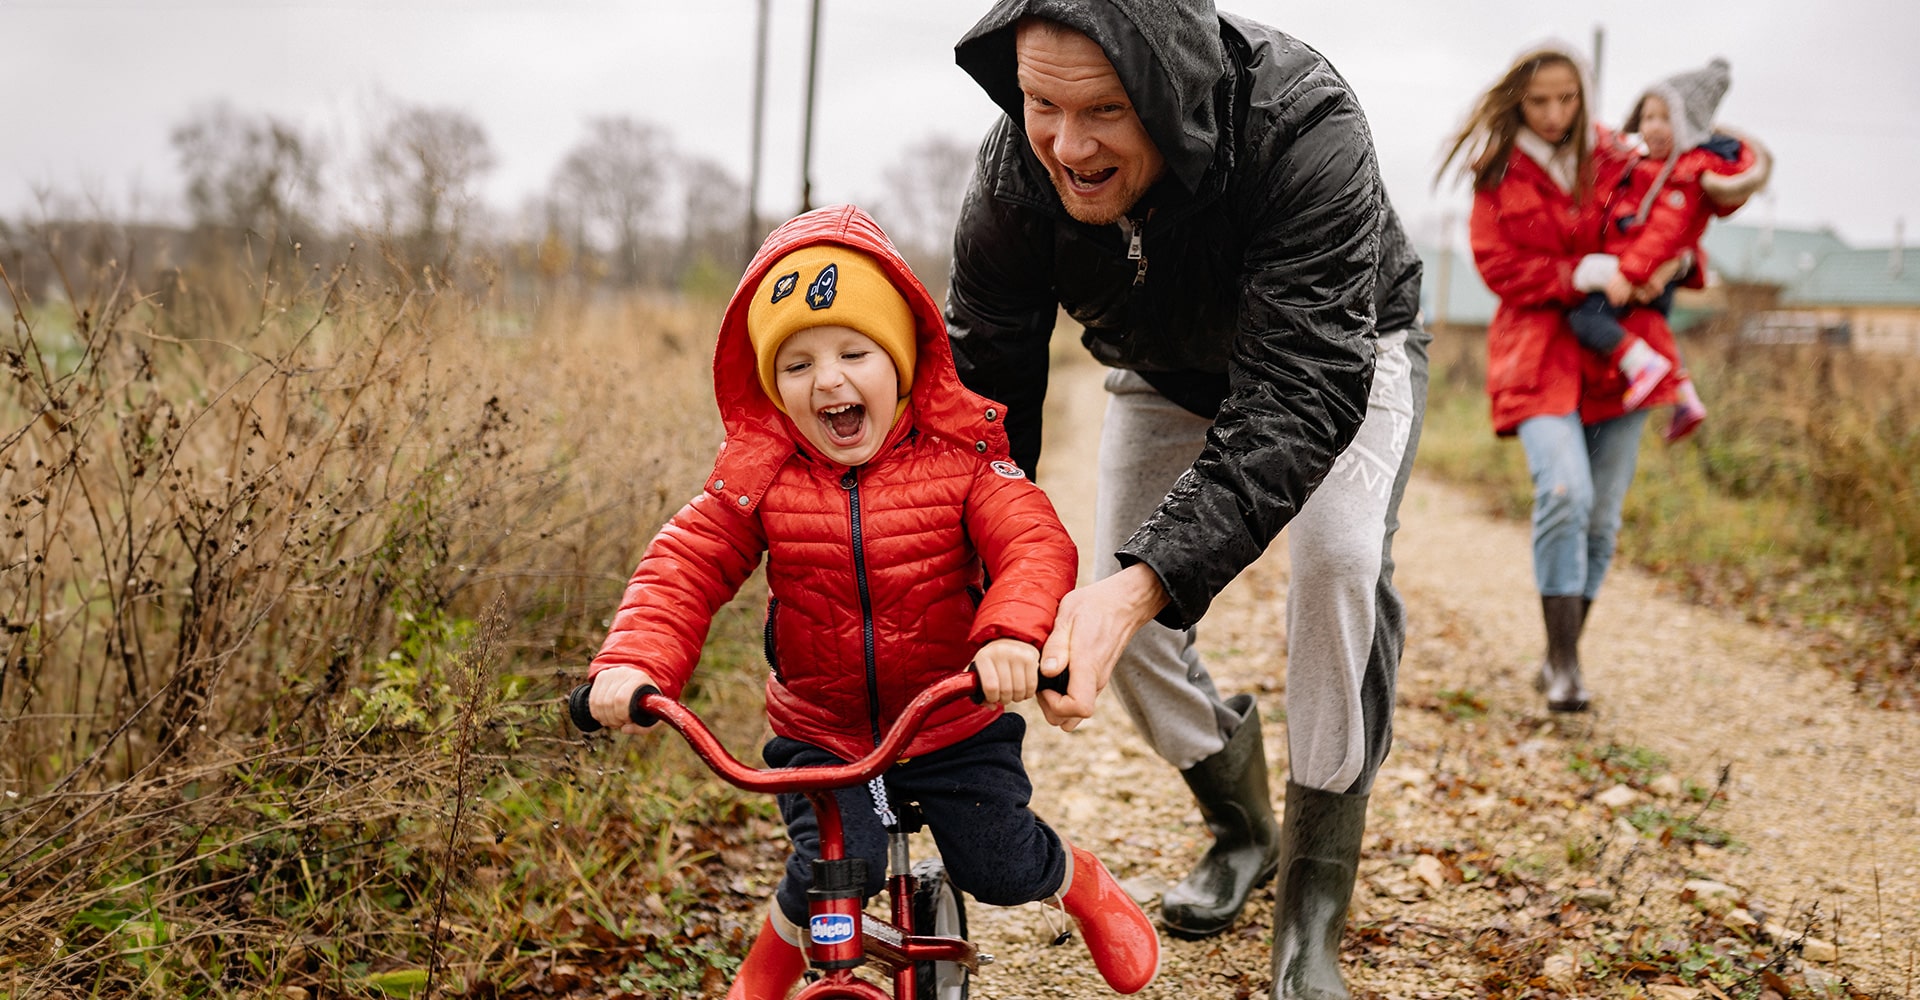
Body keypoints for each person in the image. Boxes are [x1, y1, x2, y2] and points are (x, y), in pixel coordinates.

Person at [947, 4, 1428, 998]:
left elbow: (1300, 391)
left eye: (1105, 111)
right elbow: (983, 410)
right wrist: (982, 587)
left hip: (1340, 352)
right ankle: (1243, 827)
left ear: (1167, 92)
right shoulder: (1011, 177)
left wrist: (1140, 583)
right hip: (1163, 369)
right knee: (1112, 603)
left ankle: (1312, 906)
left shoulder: (1302, 121)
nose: (1067, 146)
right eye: (1041, 104)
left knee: (1337, 559)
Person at [585, 204, 1160, 999]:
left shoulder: (961, 461)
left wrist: (1012, 636)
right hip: (822, 729)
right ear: (769, 385)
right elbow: (682, 566)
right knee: (830, 870)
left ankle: (1080, 881)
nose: (828, 381)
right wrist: (632, 662)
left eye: (855, 352)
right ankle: (769, 969)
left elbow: (1033, 543)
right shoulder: (758, 478)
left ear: (901, 361)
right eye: (796, 365)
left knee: (998, 864)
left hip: (952, 717)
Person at [1438, 45, 1683, 713]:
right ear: (1519, 99)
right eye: (1539, 100)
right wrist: (1573, 275)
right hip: (1537, 351)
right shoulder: (1497, 170)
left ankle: (1557, 657)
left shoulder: (1615, 156)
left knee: (1602, 519)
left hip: (1618, 353)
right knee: (1566, 491)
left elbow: (1672, 209)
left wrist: (1676, 259)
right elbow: (1496, 264)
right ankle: (1567, 663)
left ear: (1583, 98)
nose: (1552, 114)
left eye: (1566, 99)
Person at [1568, 56, 1771, 441]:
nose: (1653, 127)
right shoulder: (1644, 167)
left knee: (1585, 319)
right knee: (1650, 329)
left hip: (1638, 274)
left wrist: (1629, 275)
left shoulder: (1681, 177)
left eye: (1666, 118)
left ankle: (1641, 366)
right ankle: (1684, 395)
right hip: (1642, 272)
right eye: (1647, 117)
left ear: (1688, 126)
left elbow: (1664, 233)